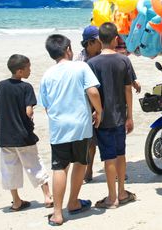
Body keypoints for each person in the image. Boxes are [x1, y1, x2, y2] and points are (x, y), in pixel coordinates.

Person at [39, 34, 103, 226]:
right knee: (80, 163)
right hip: (81, 125)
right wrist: (99, 111)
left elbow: (46, 106)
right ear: (68, 49)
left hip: (59, 127)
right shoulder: (81, 67)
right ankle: (73, 202)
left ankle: (57, 213)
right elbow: (92, 91)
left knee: (60, 167)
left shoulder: (47, 74)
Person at [0, 54, 53, 212]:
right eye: (28, 68)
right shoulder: (25, 87)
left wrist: (8, 113)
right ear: (19, 71)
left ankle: (16, 201)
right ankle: (47, 196)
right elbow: (29, 111)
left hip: (5, 137)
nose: (30, 70)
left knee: (10, 168)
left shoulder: (1, 85)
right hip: (23, 136)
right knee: (34, 165)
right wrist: (25, 115)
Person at [87, 22, 137, 209]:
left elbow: (90, 92)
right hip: (120, 116)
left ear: (100, 40)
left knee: (108, 157)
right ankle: (122, 192)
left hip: (101, 118)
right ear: (117, 38)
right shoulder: (124, 60)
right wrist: (129, 116)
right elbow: (128, 90)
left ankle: (112, 197)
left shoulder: (91, 63)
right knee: (121, 154)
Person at [75, 25, 102, 183]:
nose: (101, 43)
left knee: (106, 137)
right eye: (99, 41)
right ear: (90, 42)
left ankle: (112, 167)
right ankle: (89, 169)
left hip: (104, 101)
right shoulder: (80, 60)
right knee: (90, 141)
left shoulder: (103, 55)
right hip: (87, 103)